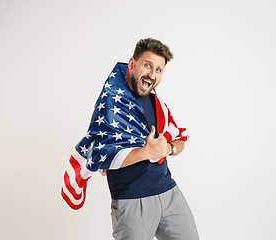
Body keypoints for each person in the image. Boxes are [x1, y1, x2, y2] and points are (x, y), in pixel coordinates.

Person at [61, 38, 199, 240]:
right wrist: (147, 152)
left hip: (169, 192)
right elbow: (102, 155)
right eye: (148, 65)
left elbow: (179, 140)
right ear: (132, 64)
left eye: (159, 70)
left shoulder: (157, 102)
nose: (152, 74)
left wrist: (168, 149)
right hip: (133, 200)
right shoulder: (111, 103)